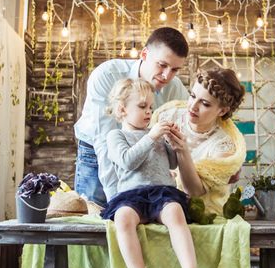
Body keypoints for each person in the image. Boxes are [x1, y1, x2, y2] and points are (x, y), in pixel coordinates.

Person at [100, 78, 213, 268]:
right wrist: (151, 137)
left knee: (175, 212)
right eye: (142, 107)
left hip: (162, 191)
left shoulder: (157, 135)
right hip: (131, 194)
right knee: (122, 219)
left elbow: (171, 163)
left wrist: (174, 143)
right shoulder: (115, 136)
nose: (149, 112)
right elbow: (128, 161)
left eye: (151, 107)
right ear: (122, 110)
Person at [74, 27, 189, 206]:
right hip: (96, 154)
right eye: (162, 65)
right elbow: (104, 144)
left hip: (146, 158)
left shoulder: (175, 88)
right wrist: (116, 203)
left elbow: (190, 128)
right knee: (95, 217)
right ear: (144, 54)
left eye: (175, 69)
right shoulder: (107, 75)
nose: (167, 76)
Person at [152, 67, 247, 216]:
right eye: (192, 95)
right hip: (158, 202)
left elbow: (196, 192)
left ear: (222, 111)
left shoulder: (224, 145)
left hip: (201, 212)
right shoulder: (168, 116)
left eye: (205, 103)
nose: (193, 106)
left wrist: (182, 150)